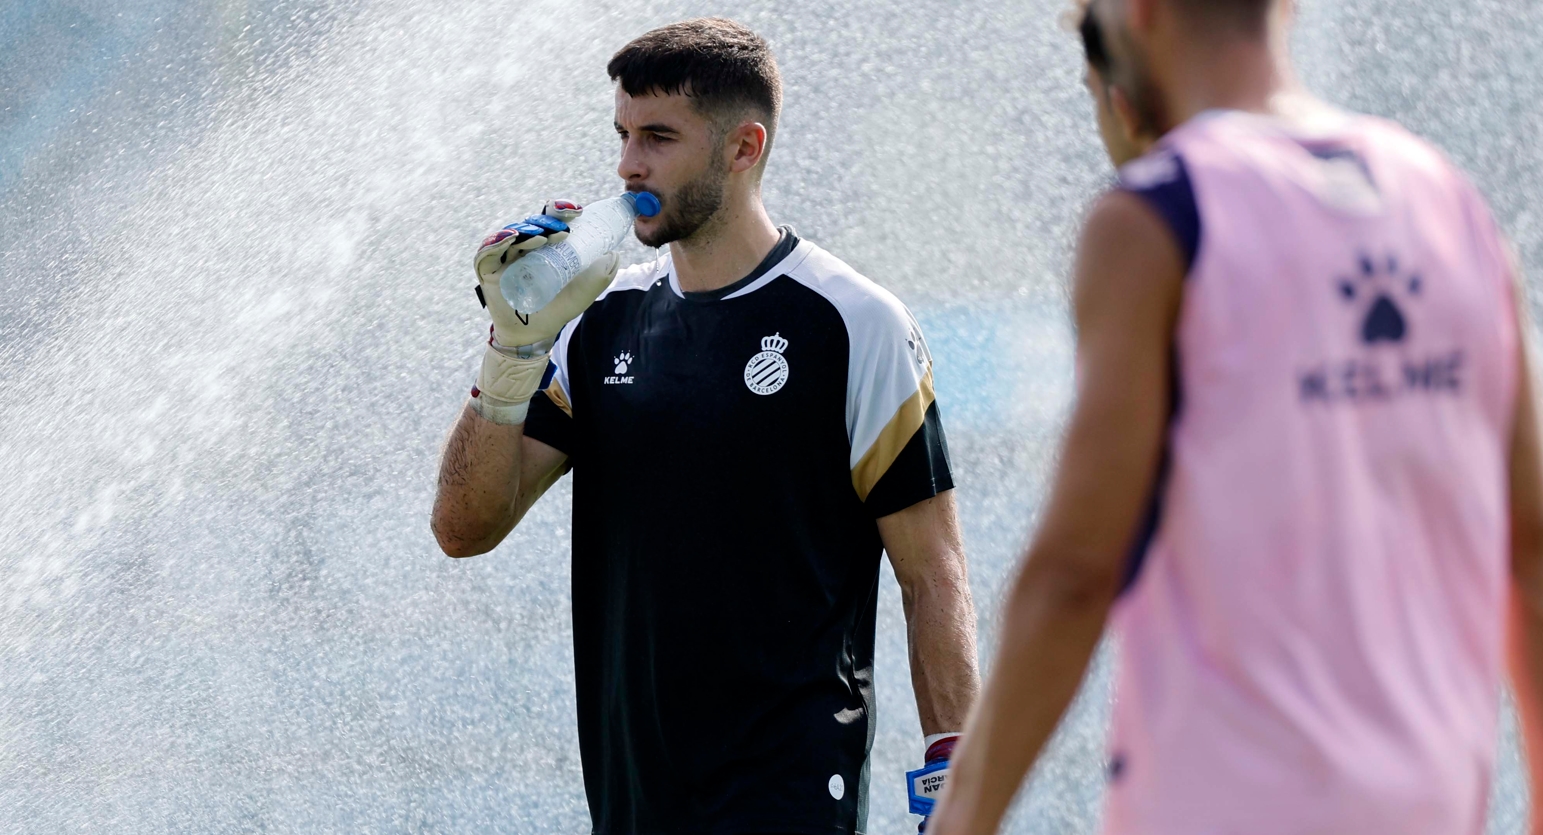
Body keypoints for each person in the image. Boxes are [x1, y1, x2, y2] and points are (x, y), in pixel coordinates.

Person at [928, 0, 1543, 833]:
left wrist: (965, 814)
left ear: (1139, 14)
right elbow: (1531, 550)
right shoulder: (1448, 200)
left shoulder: (1157, 217)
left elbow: (1073, 570)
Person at [429, 18, 980, 835]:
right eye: (621, 133)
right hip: (631, 807)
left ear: (743, 148)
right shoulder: (595, 321)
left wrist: (953, 782)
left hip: (787, 803)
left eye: (657, 136)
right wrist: (512, 351)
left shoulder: (852, 321)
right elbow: (464, 527)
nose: (627, 164)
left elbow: (932, 574)